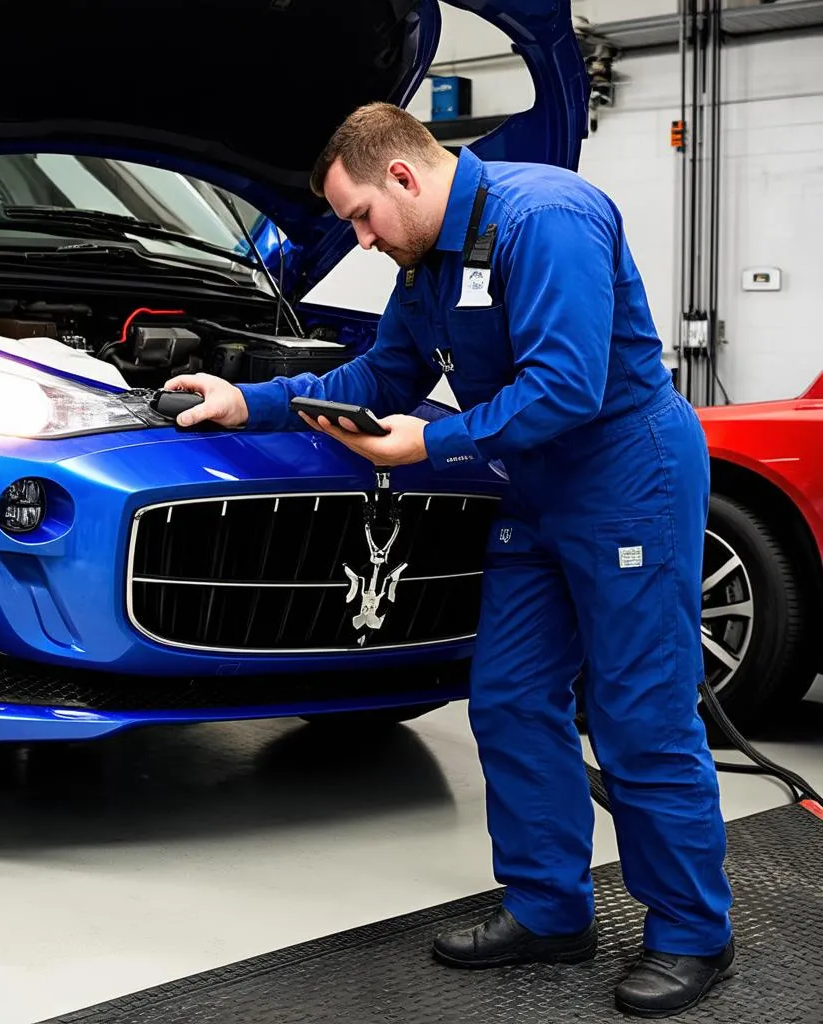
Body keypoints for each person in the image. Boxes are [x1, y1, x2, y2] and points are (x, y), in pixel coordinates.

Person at [164, 102, 734, 1018]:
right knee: (508, 699)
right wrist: (249, 402)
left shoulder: (545, 218)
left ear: (402, 176)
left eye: (359, 217)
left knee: (637, 715)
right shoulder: (423, 262)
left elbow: (568, 384)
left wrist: (428, 449)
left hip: (626, 476)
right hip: (525, 485)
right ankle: (551, 910)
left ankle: (692, 934)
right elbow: (377, 380)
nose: (360, 237)